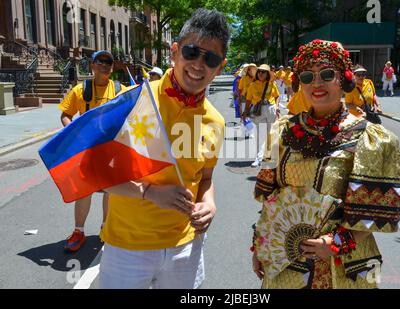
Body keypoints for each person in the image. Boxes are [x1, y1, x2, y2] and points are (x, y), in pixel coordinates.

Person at [251, 39, 400, 289]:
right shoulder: (281, 131)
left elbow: (369, 214)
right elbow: (273, 200)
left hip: (345, 266)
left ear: (343, 79)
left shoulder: (371, 138)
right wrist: (261, 243)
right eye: (307, 76)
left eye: (326, 74)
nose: (317, 83)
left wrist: (336, 243)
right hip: (288, 263)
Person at [99, 8, 229, 289]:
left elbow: (205, 178)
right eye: (191, 52)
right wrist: (148, 192)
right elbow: (98, 172)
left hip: (185, 248)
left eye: (211, 58)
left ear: (220, 67)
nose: (198, 64)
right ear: (174, 51)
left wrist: (209, 203)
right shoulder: (132, 101)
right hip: (127, 247)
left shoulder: (215, 121)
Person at [58, 50, 126, 253]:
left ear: (112, 67)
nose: (104, 65)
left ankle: (106, 228)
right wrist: (73, 132)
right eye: (100, 61)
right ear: (92, 66)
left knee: (111, 191)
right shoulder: (80, 90)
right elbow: (65, 114)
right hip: (86, 150)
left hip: (111, 150)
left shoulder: (119, 89)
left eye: (108, 62)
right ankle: (78, 231)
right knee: (84, 190)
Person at [242, 64, 280, 167]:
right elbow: (248, 100)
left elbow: (277, 96)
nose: (260, 74)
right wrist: (245, 112)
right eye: (259, 71)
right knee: (260, 135)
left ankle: (269, 154)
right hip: (259, 111)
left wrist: (276, 107)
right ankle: (258, 158)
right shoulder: (252, 86)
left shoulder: (272, 84)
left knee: (270, 133)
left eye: (263, 72)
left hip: (271, 109)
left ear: (267, 74)